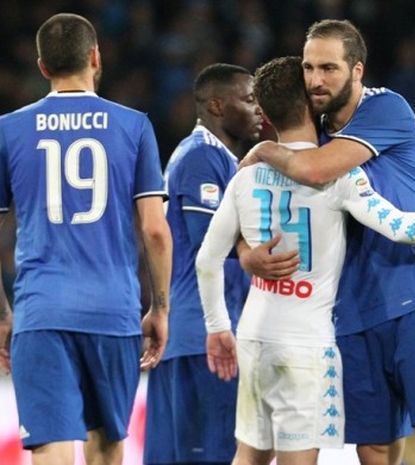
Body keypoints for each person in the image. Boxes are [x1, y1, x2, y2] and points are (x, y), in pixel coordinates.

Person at [197, 56, 415, 465]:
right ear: (310, 105)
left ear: (264, 112)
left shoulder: (244, 176)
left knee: (249, 456)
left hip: (254, 333)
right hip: (306, 341)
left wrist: (218, 326)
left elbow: (208, 258)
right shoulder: (338, 177)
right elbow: (401, 227)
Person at [240, 19, 415, 465]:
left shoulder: (386, 108)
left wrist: (264, 151)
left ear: (358, 70)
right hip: (354, 309)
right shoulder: (312, 134)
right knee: (372, 448)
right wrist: (247, 255)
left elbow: (316, 171)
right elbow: (254, 210)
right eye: (309, 68)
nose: (315, 79)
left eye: (328, 67)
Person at [0, 13, 172, 465]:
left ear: (41, 66)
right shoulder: (133, 126)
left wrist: (2, 312)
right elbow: (155, 229)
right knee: (106, 446)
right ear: (96, 57)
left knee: (51, 448)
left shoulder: (8, 129)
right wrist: (160, 307)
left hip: (41, 311)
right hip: (112, 311)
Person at [144, 63, 263, 465]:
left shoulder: (219, 159)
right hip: (207, 337)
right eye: (249, 100)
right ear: (216, 105)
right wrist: (266, 252)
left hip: (191, 335)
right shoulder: (202, 157)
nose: (258, 110)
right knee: (212, 455)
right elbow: (207, 243)